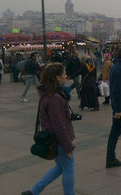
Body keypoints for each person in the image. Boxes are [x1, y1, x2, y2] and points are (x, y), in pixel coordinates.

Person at [21, 63, 76, 195]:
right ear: (57, 77)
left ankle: (33, 191)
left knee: (60, 167)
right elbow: (58, 125)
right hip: (58, 140)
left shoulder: (49, 94)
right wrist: (67, 146)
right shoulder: (54, 98)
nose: (66, 76)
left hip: (53, 139)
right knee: (69, 168)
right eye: (63, 74)